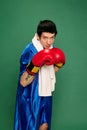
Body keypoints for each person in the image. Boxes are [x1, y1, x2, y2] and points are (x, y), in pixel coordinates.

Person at [14, 20, 65, 130]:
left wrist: (59, 64)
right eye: (45, 37)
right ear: (38, 36)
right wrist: (35, 64)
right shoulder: (29, 51)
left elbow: (51, 72)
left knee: (44, 126)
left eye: (52, 37)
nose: (49, 41)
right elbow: (23, 82)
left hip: (46, 94)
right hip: (29, 96)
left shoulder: (50, 50)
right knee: (29, 127)